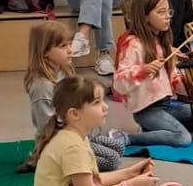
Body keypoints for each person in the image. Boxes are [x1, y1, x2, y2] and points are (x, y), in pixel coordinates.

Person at [33, 76, 181, 186]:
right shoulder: (73, 147)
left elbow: (94, 181)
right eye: (97, 102)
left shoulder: (74, 137)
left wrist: (130, 173)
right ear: (74, 114)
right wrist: (129, 185)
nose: (105, 107)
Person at [22, 22, 126, 173]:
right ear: (45, 52)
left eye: (70, 44)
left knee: (118, 147)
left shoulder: (63, 73)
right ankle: (49, 161)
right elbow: (47, 127)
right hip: (60, 143)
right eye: (63, 46)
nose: (70, 50)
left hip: (79, 134)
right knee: (112, 159)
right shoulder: (42, 88)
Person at [112, 0, 193, 147]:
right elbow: (119, 83)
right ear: (144, 17)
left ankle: (154, 130)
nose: (168, 16)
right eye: (161, 12)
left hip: (166, 106)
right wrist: (143, 70)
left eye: (169, 11)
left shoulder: (162, 43)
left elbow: (174, 77)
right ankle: (128, 138)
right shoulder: (133, 44)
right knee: (182, 138)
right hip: (147, 111)